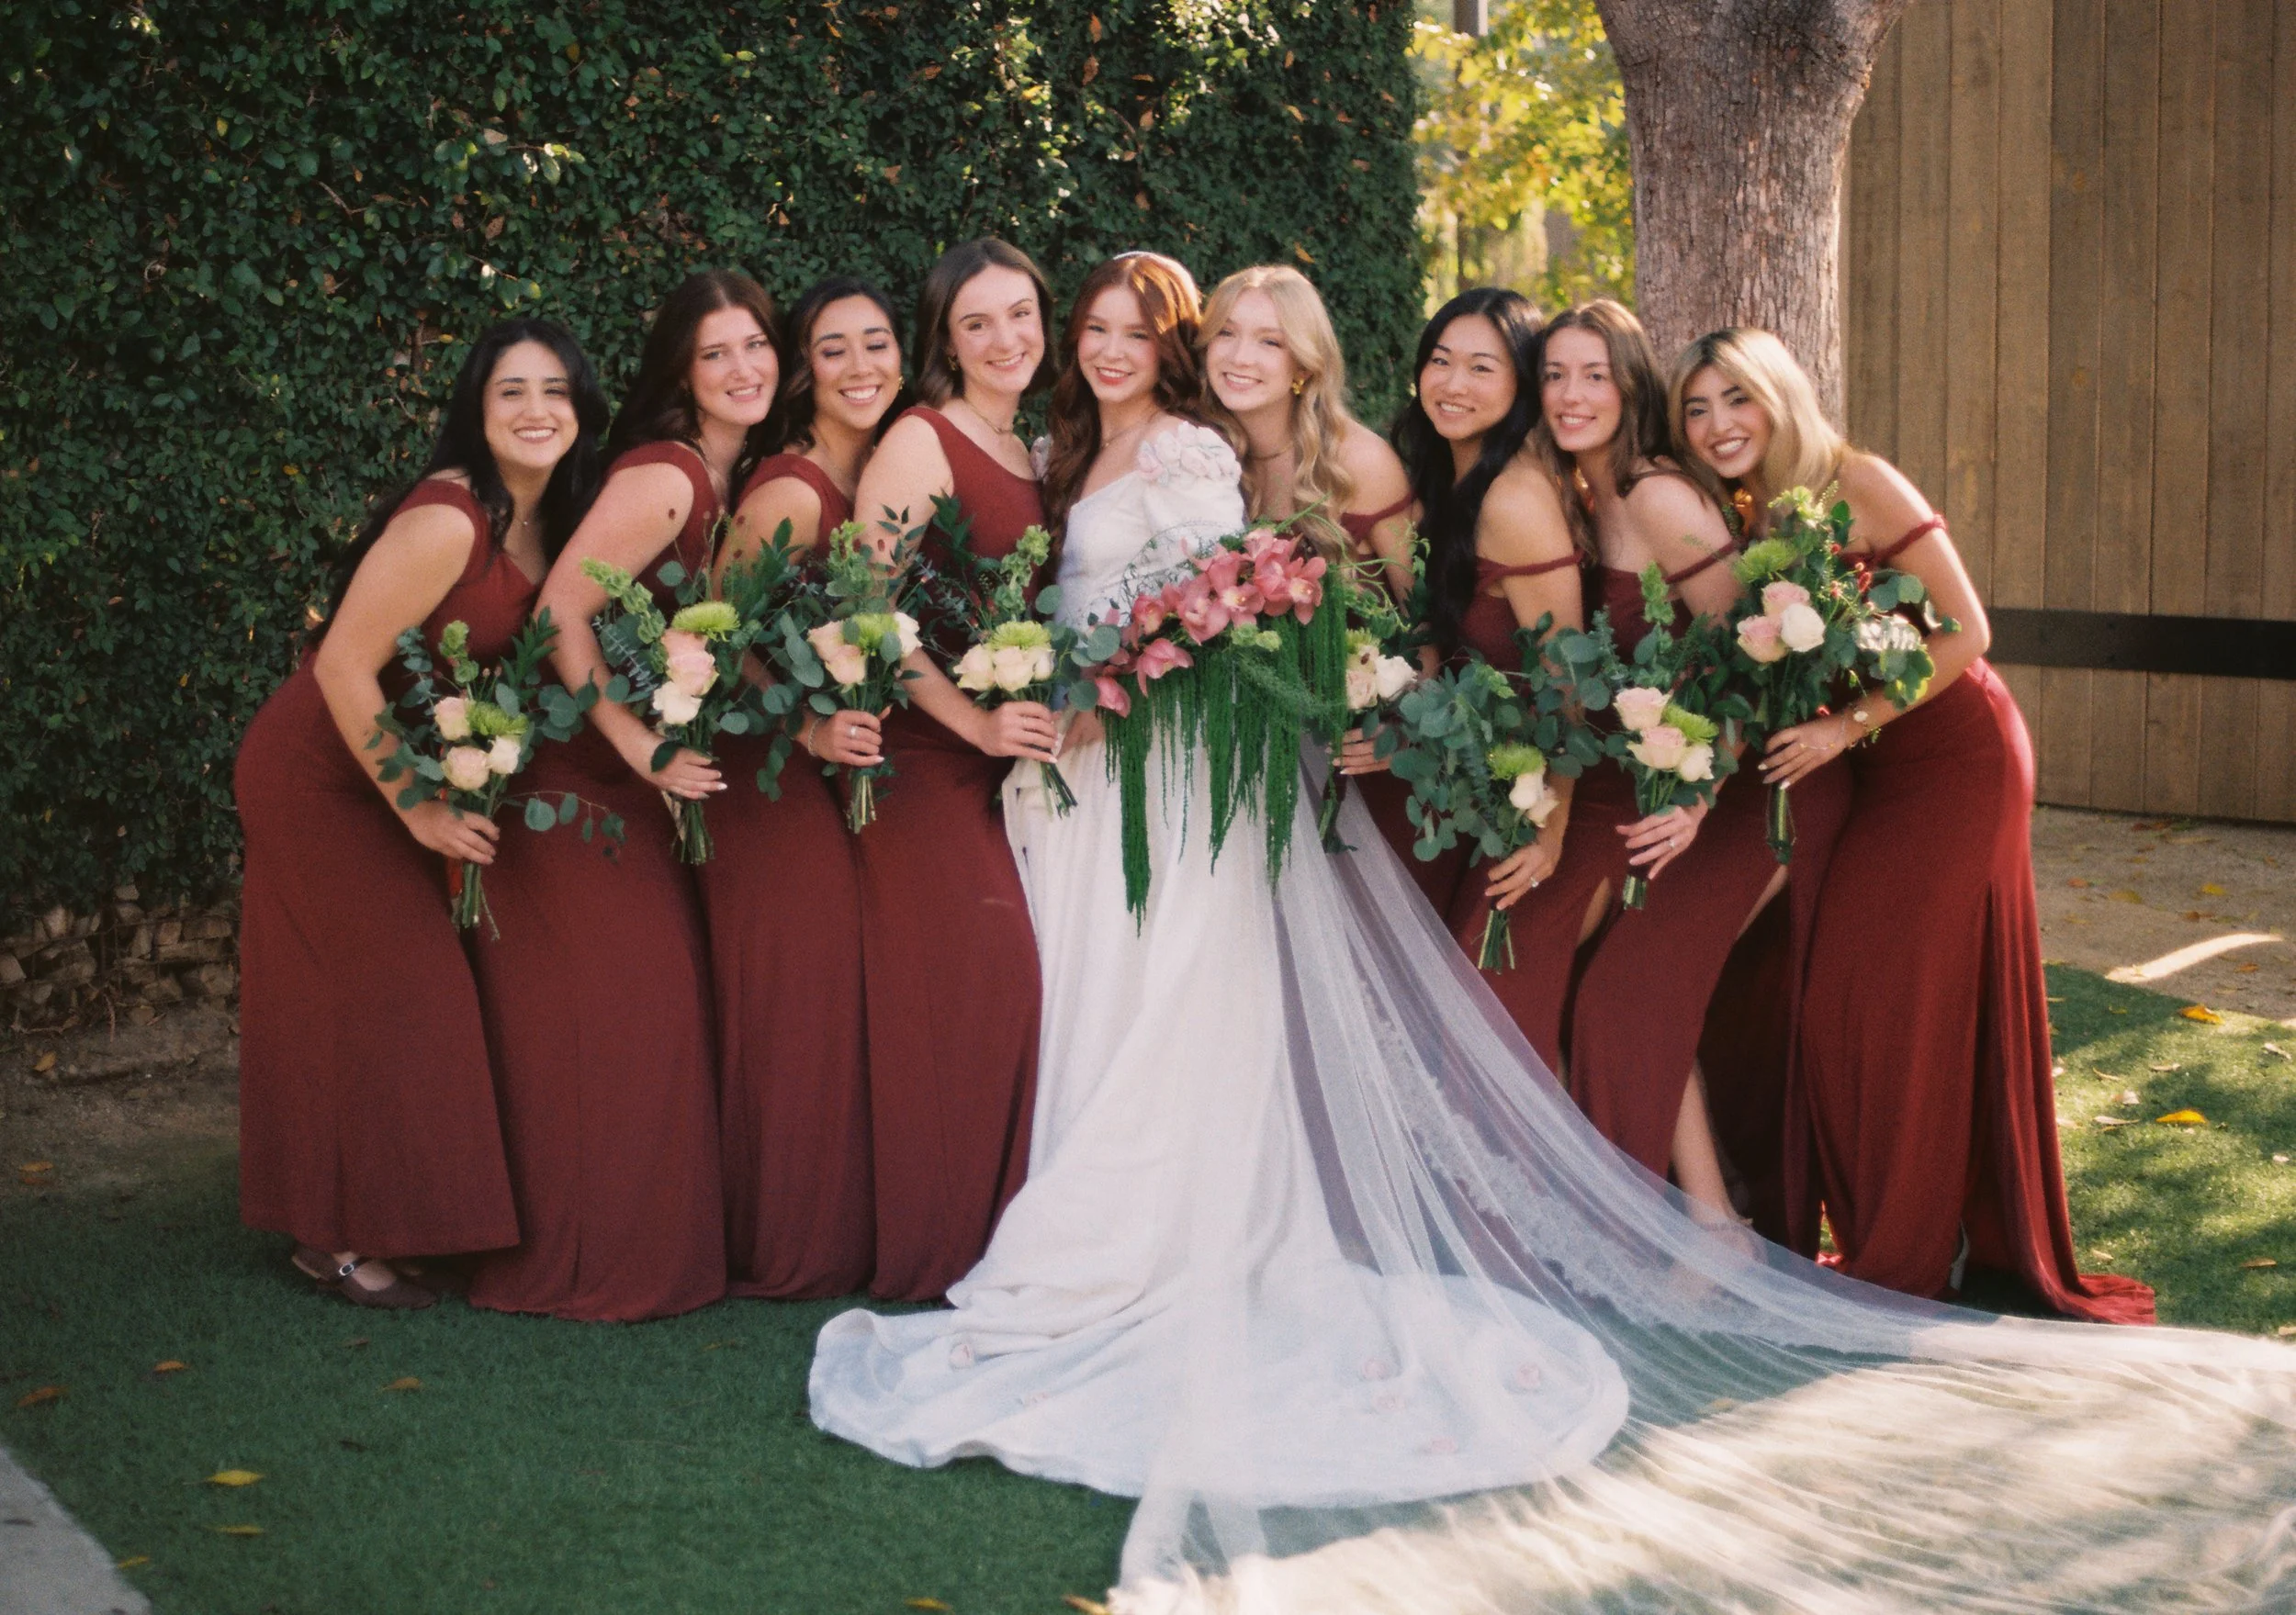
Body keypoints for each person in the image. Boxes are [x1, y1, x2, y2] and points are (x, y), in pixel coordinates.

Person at [807, 270, 2295, 1614]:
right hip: (1273, 781)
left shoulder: (1457, 478)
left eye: (1512, 367)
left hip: (1608, 785)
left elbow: (1568, 643)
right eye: (1120, 333)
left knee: (1554, 1002)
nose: (1151, 352)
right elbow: (1407, 638)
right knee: (1229, 1014)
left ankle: (1689, 1234)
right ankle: (1634, 1220)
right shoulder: (1169, 459)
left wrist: (1604, 780)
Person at [1675, 327, 2154, 1321]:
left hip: (1953, 760)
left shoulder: (1859, 480)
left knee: (1893, 1002)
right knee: (1844, 1000)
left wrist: (1845, 723)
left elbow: (1968, 629)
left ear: (1779, 398)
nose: (1718, 424)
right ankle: (1915, 1229)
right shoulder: (1745, 514)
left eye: (1736, 399)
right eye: (1696, 408)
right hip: (1869, 771)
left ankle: (1904, 1255)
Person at [236, 318, 604, 1309]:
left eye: (555, 390)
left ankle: (386, 1213)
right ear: (476, 414)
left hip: (395, 774)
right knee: (391, 993)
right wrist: (422, 809)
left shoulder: (549, 523)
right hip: (319, 776)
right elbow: (345, 664)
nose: (536, 411)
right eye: (511, 392)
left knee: (394, 998)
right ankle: (336, 1237)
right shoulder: (450, 518)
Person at [465, 271, 775, 1322]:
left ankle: (632, 1244)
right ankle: (584, 1257)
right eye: (716, 353)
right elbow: (558, 612)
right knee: (619, 1014)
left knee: (644, 1016)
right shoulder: (670, 475)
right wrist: (639, 747)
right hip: (576, 781)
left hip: (627, 787)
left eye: (756, 345)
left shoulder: (732, 478)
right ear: (681, 377)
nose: (745, 368)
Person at [842, 239, 1052, 1301]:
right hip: (925, 765)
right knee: (987, 987)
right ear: (945, 341)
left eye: (1020, 314)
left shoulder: (1039, 449)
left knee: (1012, 999)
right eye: (978, 323)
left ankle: (999, 1236)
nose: (1004, 338)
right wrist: (968, 725)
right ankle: (938, 1254)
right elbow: (863, 602)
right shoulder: (923, 440)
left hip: (1010, 774)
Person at [1536, 301, 1773, 1226]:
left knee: (1622, 992)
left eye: (1594, 373)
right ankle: (1696, 1212)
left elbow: (1753, 649)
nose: (1571, 393)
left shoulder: (1653, 492)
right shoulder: (1579, 496)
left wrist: (1700, 795)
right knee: (1603, 985)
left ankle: (1707, 1226)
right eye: (1554, 374)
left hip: (1738, 790)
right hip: (1649, 787)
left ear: (1631, 382)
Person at [708, 277, 905, 1299]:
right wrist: (809, 723)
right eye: (835, 350)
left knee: (826, 993)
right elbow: (712, 629)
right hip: (763, 772)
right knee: (796, 996)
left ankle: (818, 1229)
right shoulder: (791, 487)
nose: (862, 365)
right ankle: (780, 1243)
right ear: (803, 371)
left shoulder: (882, 479)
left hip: (825, 770)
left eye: (878, 343)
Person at [1390, 290, 1609, 1071]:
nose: (1454, 382)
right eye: (1441, 361)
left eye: (1483, 367)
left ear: (1519, 384)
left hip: (1558, 795)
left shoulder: (1513, 497)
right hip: (1490, 787)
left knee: (1478, 1016)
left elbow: (1568, 677)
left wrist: (1550, 830)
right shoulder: (1442, 476)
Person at [1195, 265, 1452, 910]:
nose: (1240, 356)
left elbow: (1428, 616)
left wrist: (1399, 729)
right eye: (1226, 333)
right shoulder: (1203, 458)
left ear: (1303, 365)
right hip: (1247, 757)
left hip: (1359, 761)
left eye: (1269, 341)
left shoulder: (1356, 463)